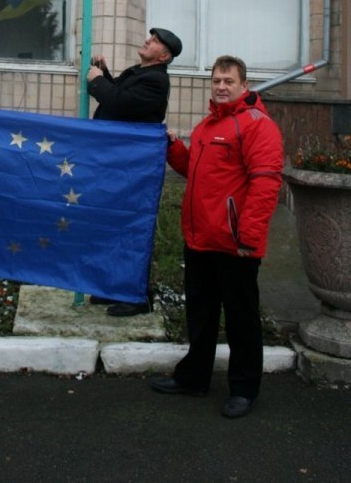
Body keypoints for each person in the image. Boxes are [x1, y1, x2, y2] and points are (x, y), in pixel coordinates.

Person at [150, 55, 283, 419]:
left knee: (241, 319)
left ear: (244, 85)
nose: (221, 86)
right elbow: (194, 171)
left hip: (235, 244)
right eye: (216, 81)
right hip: (200, 240)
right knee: (202, 316)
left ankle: (244, 389)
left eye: (229, 81)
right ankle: (194, 378)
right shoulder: (209, 125)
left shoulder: (258, 126)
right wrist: (175, 148)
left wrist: (249, 236)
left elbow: (266, 181)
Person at [86, 27, 182, 316]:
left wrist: (97, 83)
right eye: (149, 38)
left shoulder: (156, 81)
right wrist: (103, 72)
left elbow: (117, 103)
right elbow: (120, 96)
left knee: (130, 230)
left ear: (163, 56)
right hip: (118, 161)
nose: (147, 41)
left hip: (133, 167)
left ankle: (137, 296)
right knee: (113, 225)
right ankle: (114, 287)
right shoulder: (141, 73)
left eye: (154, 42)